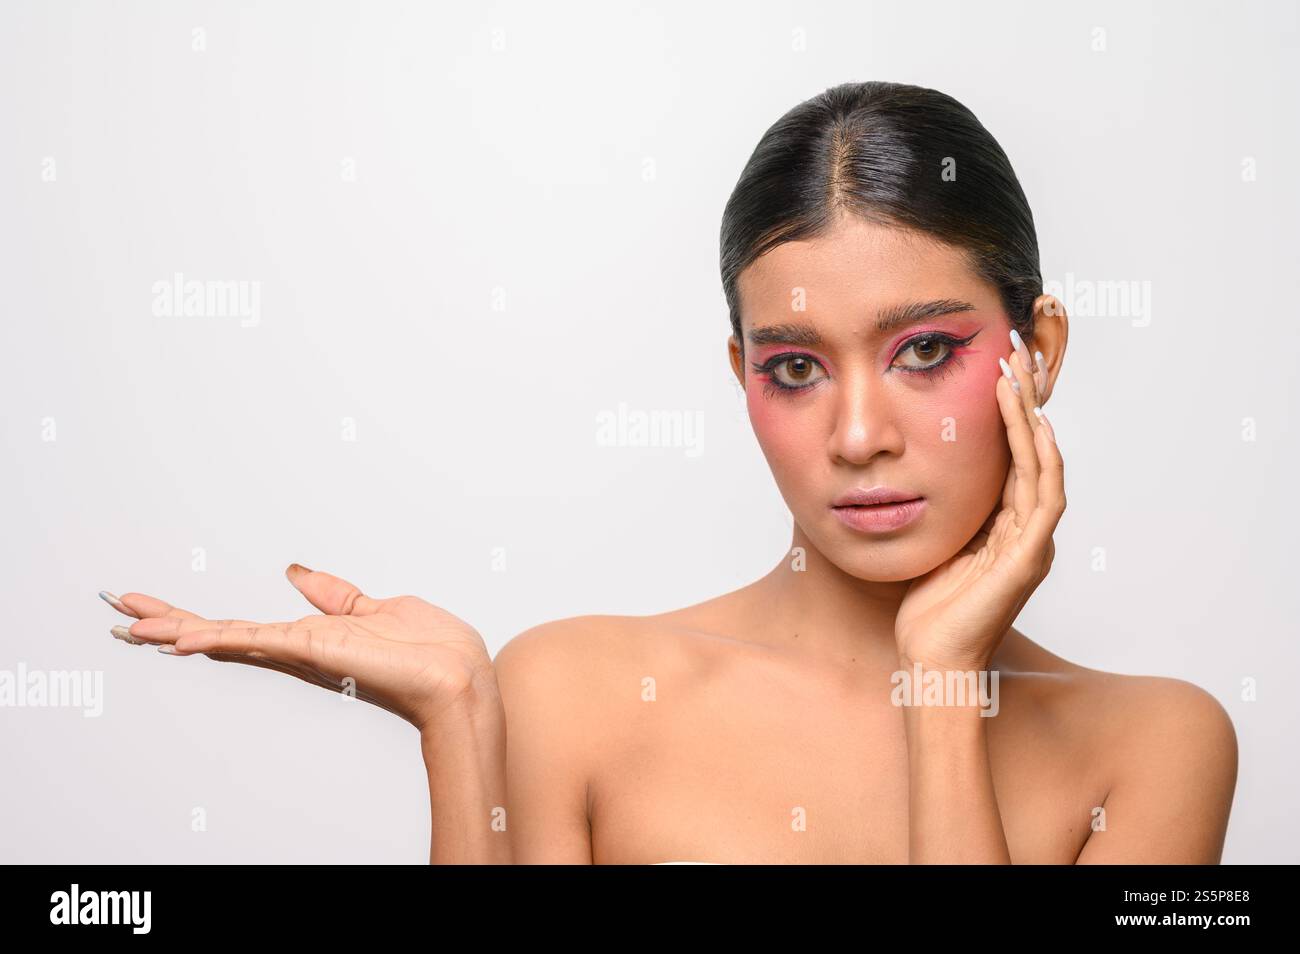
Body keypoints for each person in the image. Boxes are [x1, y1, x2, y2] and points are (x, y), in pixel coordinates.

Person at [100, 81, 1238, 864]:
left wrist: (939, 680)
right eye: (794, 367)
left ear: (1036, 353)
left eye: (924, 352)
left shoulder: (1158, 749)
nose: (856, 436)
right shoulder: (575, 688)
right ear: (741, 373)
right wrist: (461, 729)